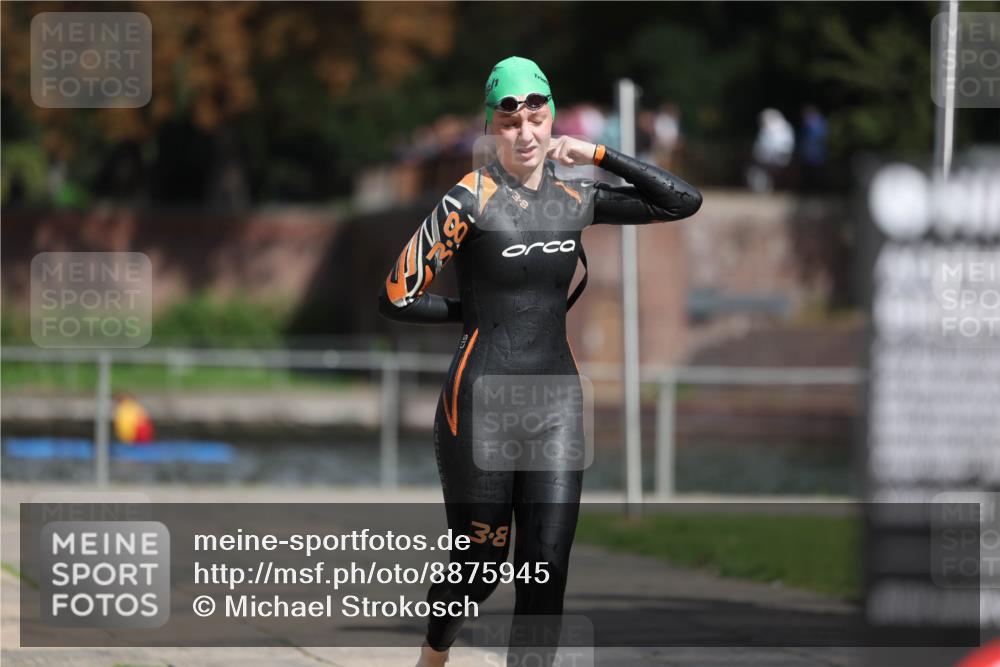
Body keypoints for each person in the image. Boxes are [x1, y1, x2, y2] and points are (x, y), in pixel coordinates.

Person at [378, 55, 702, 667]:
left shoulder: (575, 196)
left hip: (556, 405)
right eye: (510, 122)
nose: (525, 134)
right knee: (480, 567)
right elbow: (397, 295)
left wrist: (599, 154)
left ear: (552, 118)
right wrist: (474, 315)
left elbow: (680, 201)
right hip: (480, 406)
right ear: (491, 127)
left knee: (546, 570)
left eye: (536, 118)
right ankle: (434, 653)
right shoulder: (468, 200)